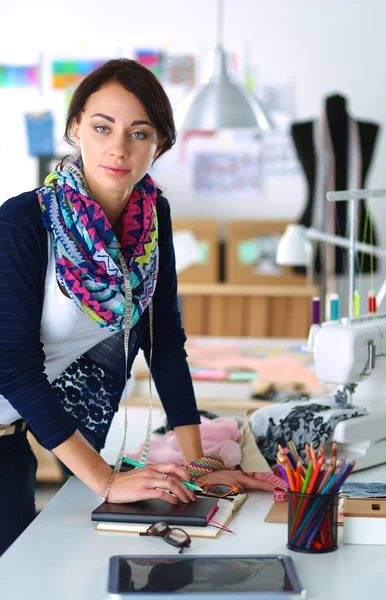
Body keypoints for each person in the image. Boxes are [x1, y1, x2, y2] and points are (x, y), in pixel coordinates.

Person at [0, 58, 274, 557]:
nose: (118, 148)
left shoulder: (152, 221)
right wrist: (106, 481)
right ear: (76, 127)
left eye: (139, 133)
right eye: (102, 127)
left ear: (160, 145)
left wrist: (200, 467)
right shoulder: (23, 222)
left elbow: (164, 342)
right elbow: (14, 367)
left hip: (10, 438)